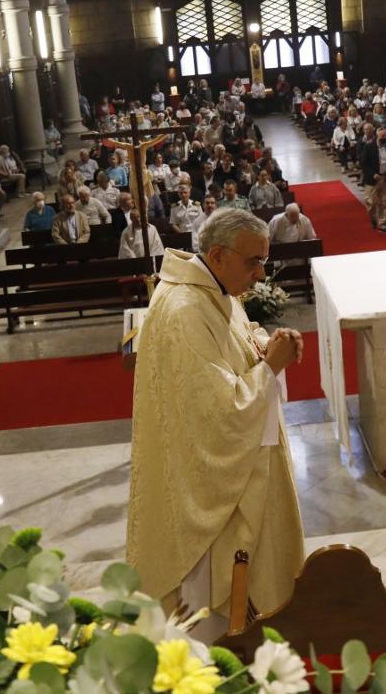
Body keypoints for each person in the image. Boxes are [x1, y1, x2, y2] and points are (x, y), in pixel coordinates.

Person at [126, 209, 305, 640]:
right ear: (218, 255)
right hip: (205, 493)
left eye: (264, 260)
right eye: (253, 261)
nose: (261, 273)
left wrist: (264, 343)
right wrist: (270, 368)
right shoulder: (186, 309)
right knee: (207, 625)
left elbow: (234, 340)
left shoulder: (212, 288)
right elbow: (218, 415)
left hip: (234, 464)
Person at [359, 127, 386, 231]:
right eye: (382, 136)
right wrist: (373, 174)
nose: (385, 138)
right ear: (377, 135)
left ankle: (382, 223)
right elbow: (363, 164)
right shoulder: (369, 147)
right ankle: (373, 218)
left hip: (384, 178)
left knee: (384, 202)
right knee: (371, 202)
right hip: (372, 179)